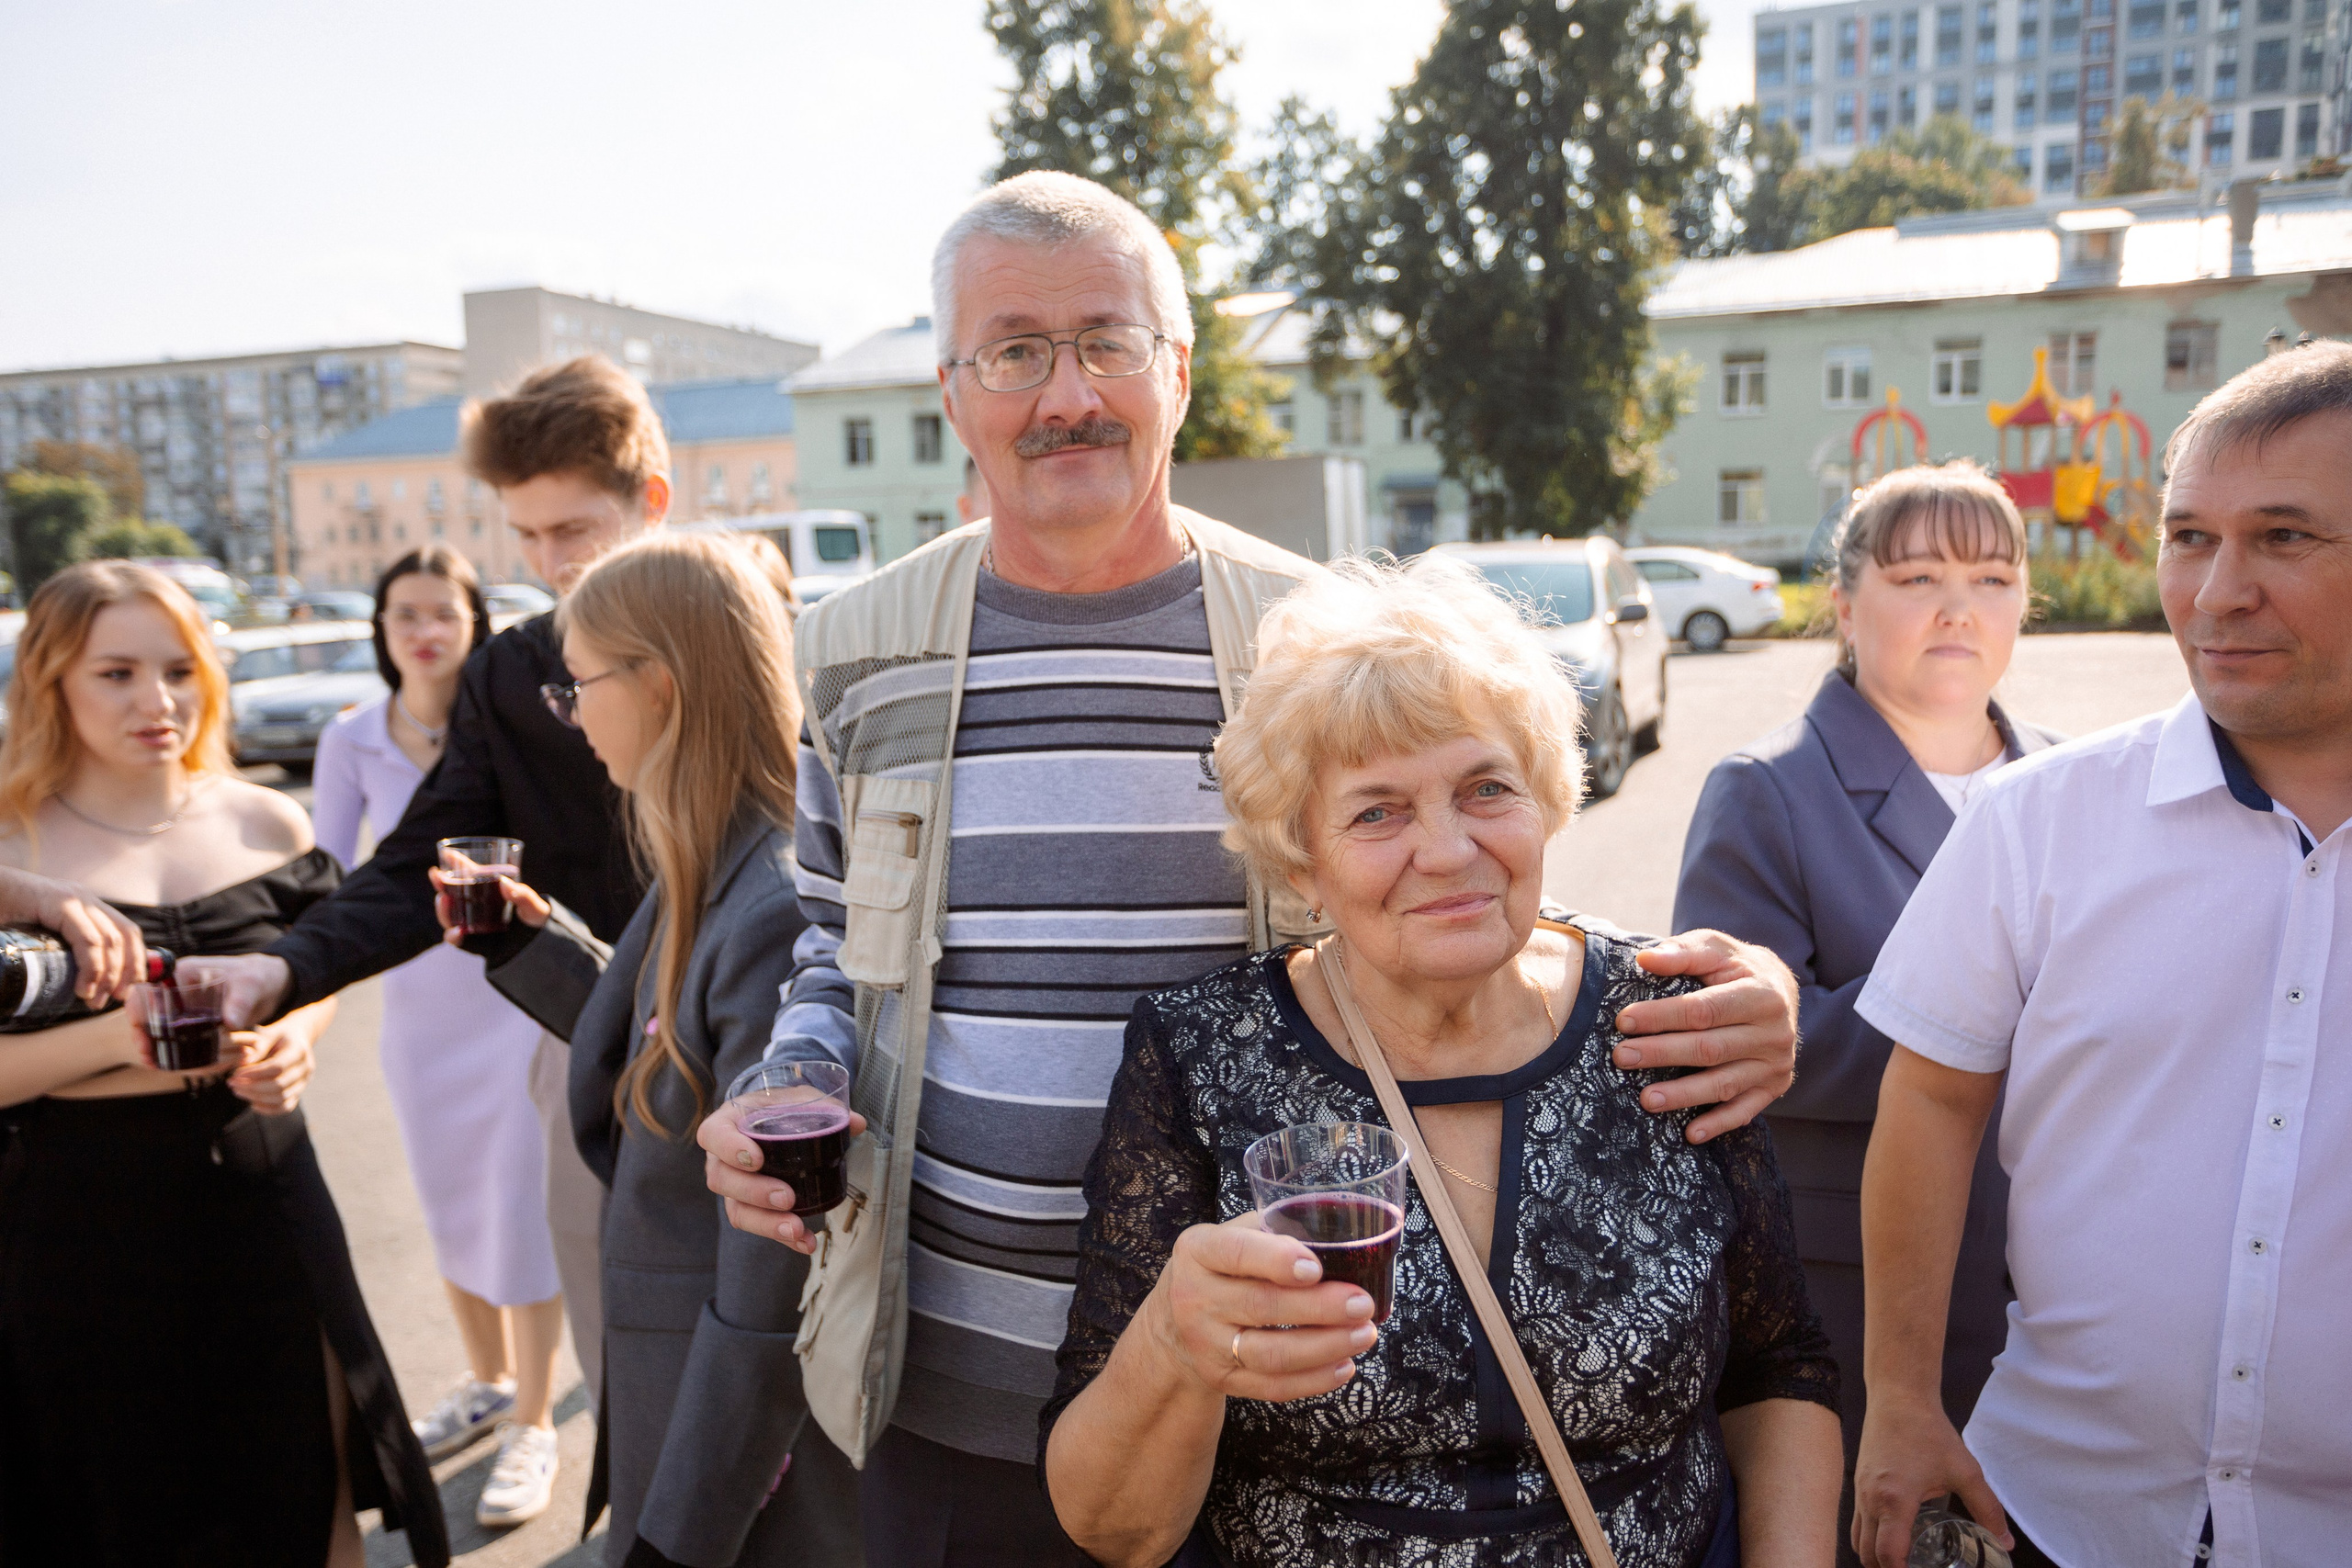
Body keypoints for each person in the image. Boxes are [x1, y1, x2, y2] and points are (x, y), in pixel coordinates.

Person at [696, 170, 1808, 1566]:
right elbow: (826, 942)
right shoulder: (858, 648)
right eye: (1015, 352)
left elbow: (1438, 870)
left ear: (1176, 367)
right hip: (951, 1374)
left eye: (1107, 342)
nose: (1065, 396)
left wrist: (1720, 983)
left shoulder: (1309, 632)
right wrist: (790, 1078)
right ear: (951, 387)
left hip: (1272, 1382)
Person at [1043, 556, 1843, 1566]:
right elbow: (1116, 1531)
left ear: (1547, 797)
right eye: (1376, 811)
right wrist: (1173, 1346)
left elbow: (1778, 1367)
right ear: (1302, 859)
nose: (1449, 849)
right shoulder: (1201, 1059)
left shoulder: (1666, 1029)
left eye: (1485, 788)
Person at [1850, 342, 2352, 1568]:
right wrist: (1905, 1401)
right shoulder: (2039, 819)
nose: (2218, 590)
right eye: (2189, 536)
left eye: (2284, 536)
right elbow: (1927, 1097)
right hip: (2057, 1512)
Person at [188, 355, 679, 1448]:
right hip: (585, 1042)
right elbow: (422, 854)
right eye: (529, 536)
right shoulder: (510, 673)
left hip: (773, 1041)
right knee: (613, 1343)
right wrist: (282, 968)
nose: (553, 562)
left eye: (576, 529)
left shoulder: (758, 628)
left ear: (651, 500)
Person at [0, 561, 445, 1567]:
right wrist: (121, 1041)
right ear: (51, 682)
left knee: (302, 1479)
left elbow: (314, 970)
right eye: (115, 672)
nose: (157, 701)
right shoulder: (11, 856)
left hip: (265, 1194)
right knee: (113, 1510)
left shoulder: (263, 820)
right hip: (77, 1226)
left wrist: (300, 1032)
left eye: (180, 669)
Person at [438, 532, 858, 1566]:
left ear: (660, 686)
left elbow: (770, 1280)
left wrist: (683, 1533)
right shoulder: (712, 852)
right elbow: (669, 1052)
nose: (570, 713)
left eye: (576, 684)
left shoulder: (768, 900)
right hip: (681, 1397)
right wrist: (531, 945)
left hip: (734, 1450)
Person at [1672, 462, 2059, 1555]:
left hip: (2070, 1295)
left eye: (1991, 576)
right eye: (1917, 574)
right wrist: (1995, 1022)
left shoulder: (2071, 786)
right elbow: (1728, 1048)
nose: (1957, 607)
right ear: (1842, 604)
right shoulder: (1767, 790)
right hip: (1858, 1303)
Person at [311, 545, 567, 1526]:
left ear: (475, 625)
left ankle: (534, 1422)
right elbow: (326, 875)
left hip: (517, 1001)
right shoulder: (349, 740)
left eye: (442, 613)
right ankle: (487, 1378)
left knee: (520, 1203)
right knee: (452, 1199)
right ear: (380, 632)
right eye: (402, 613)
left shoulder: (510, 724)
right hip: (416, 1014)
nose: (422, 630)